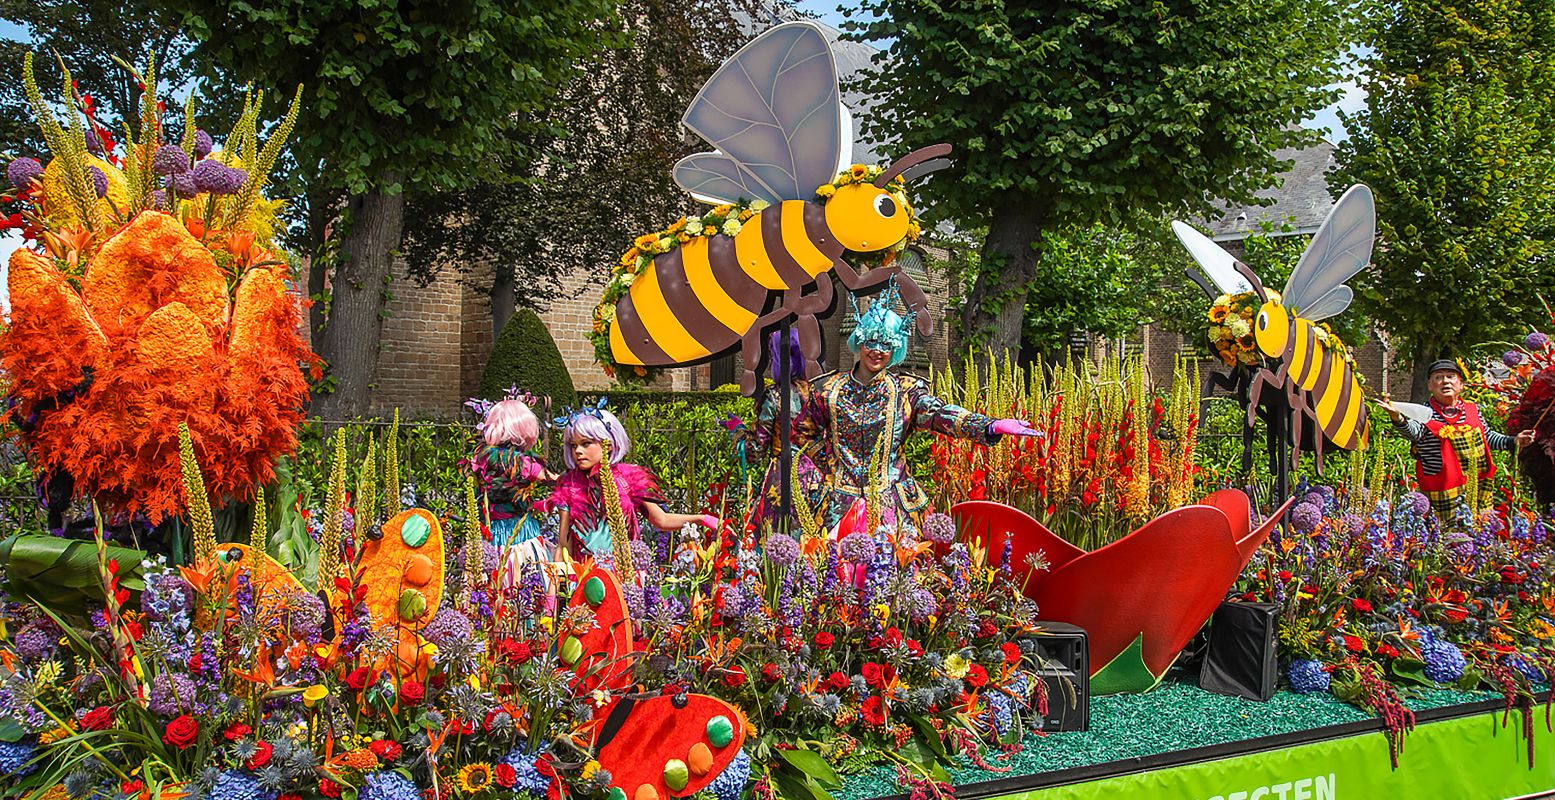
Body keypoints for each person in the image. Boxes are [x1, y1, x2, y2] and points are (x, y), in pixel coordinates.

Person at [809, 280, 1040, 530]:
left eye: (886, 344)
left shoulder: (905, 392)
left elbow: (940, 414)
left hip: (892, 507)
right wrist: (830, 468)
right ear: (859, 341)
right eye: (871, 341)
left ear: (896, 348)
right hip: (837, 506)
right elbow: (803, 435)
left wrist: (989, 425)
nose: (877, 350)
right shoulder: (827, 390)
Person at [544, 403, 721, 572]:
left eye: (586, 443)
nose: (578, 451)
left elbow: (661, 520)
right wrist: (554, 594)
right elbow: (563, 543)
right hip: (584, 574)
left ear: (608, 443)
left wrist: (702, 519)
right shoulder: (569, 485)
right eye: (573, 445)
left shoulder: (626, 480)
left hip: (622, 573)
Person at [1386, 359, 1534, 518]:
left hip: (1476, 486)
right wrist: (1398, 419)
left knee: (1479, 532)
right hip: (1441, 488)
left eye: (1451, 376)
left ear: (1461, 384)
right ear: (1430, 385)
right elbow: (1414, 432)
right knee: (1443, 535)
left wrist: (1513, 441)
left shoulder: (1473, 410)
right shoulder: (1424, 412)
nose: (1445, 381)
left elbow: (1487, 437)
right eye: (1438, 377)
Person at [724, 329, 828, 532]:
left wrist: (737, 430)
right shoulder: (818, 393)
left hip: (782, 476)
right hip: (816, 478)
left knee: (776, 537)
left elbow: (756, 449)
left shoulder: (774, 396)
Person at [467, 395, 556, 553]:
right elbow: (552, 479)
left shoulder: (482, 457)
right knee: (522, 574)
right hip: (518, 534)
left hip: (490, 531)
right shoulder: (521, 462)